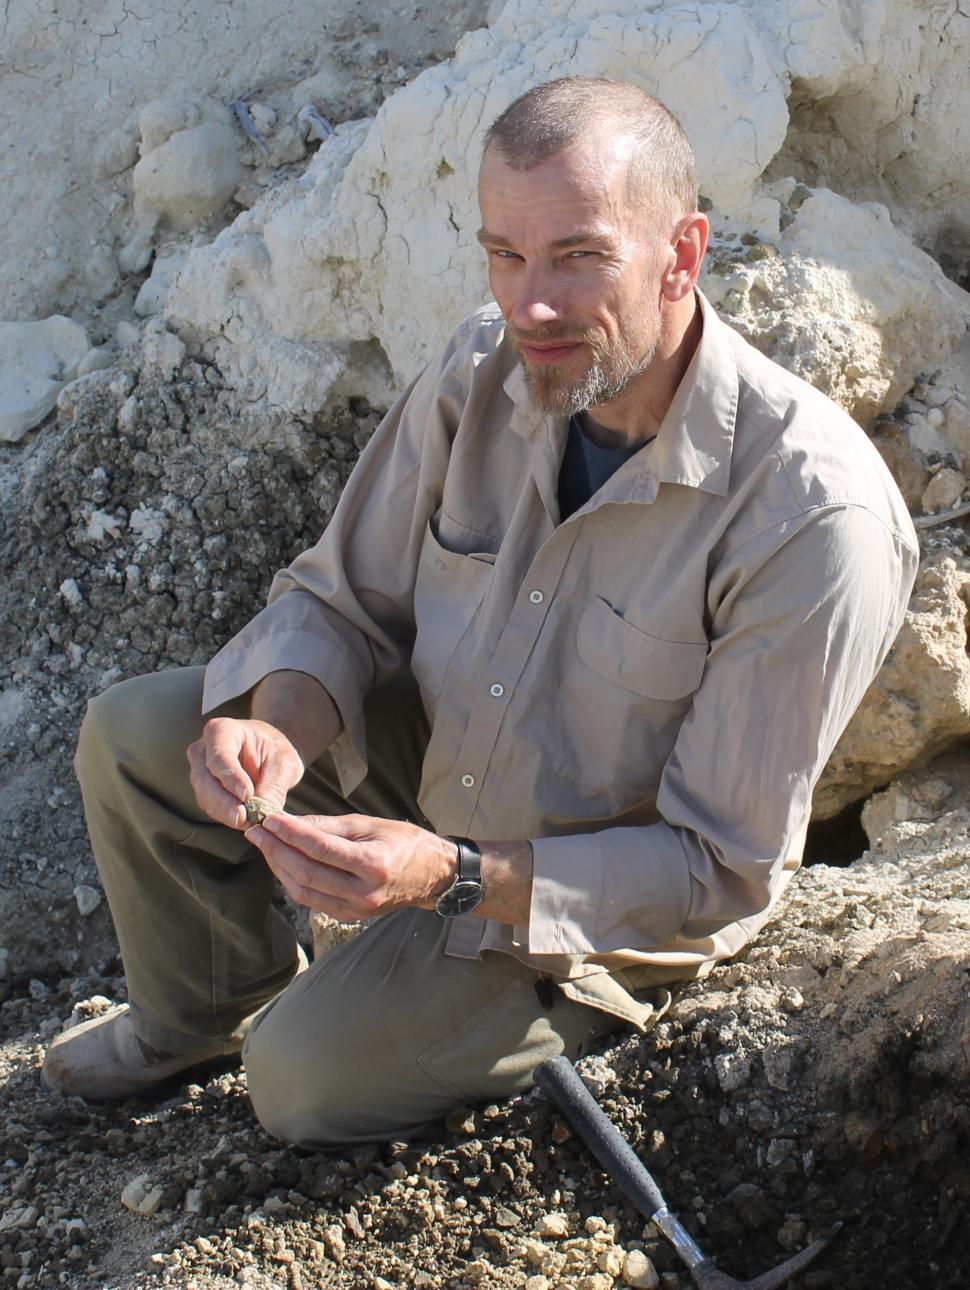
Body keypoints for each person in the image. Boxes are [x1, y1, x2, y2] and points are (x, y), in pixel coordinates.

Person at [43, 77, 918, 1146]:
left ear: (682, 256)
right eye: (503, 253)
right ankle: (197, 1014)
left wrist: (447, 879)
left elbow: (713, 869)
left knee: (304, 1081)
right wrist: (278, 725)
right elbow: (340, 602)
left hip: (591, 906)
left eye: (576, 256)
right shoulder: (479, 370)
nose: (528, 303)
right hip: (446, 765)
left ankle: (402, 1007)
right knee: (138, 738)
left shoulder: (808, 515)